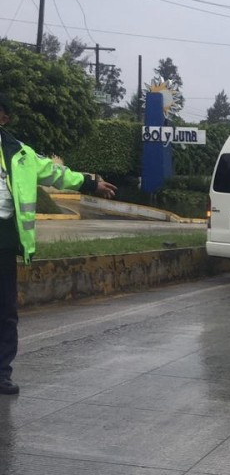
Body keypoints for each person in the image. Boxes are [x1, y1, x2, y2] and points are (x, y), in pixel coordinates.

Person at [0, 93, 117, 395]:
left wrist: (91, 183)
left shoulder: (21, 155)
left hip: (4, 243)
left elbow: (55, 173)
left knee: (5, 311)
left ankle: (1, 374)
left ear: (4, 118)